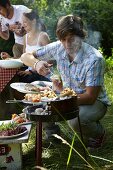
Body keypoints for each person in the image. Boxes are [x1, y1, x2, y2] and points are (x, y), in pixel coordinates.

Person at [21, 14, 110, 149]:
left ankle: (98, 134)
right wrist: (37, 64)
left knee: (75, 120)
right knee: (35, 90)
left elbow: (90, 97)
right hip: (65, 94)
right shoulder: (58, 46)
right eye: (63, 39)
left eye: (72, 39)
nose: (67, 44)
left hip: (94, 102)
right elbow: (24, 56)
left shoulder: (94, 59)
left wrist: (58, 98)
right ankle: (53, 136)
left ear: (81, 36)